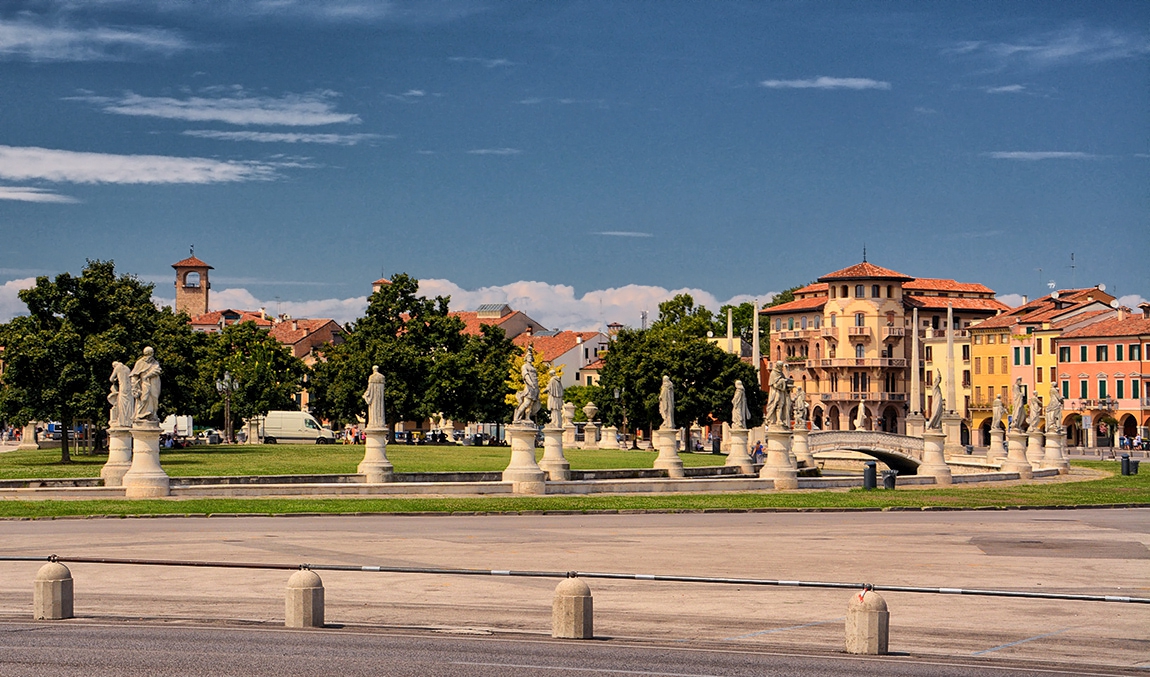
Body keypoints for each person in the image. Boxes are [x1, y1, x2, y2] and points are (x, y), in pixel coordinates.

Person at [129, 347, 162, 423]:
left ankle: (152, 414)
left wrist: (149, 375)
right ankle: (140, 415)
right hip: (144, 383)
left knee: (154, 399)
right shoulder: (140, 363)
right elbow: (134, 375)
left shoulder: (155, 362)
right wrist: (134, 386)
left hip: (154, 383)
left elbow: (157, 370)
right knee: (144, 398)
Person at [513, 346, 541, 424]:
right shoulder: (524, 366)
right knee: (526, 403)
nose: (530, 358)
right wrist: (530, 383)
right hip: (529, 387)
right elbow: (525, 375)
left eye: (531, 357)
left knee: (531, 404)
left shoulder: (533, 367)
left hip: (535, 387)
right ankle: (517, 417)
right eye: (529, 356)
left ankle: (527, 417)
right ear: (526, 358)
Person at [362, 365, 386, 430]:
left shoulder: (371, 377)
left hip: (374, 398)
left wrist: (365, 395)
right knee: (380, 409)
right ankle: (380, 422)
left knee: (373, 409)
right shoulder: (382, 377)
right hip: (380, 398)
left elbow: (369, 388)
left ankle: (374, 422)